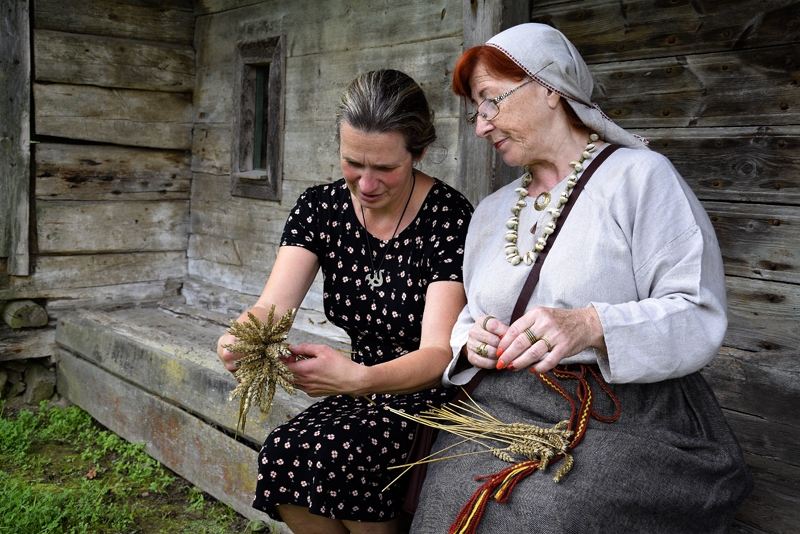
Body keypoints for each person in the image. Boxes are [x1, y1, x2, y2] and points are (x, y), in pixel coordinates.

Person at [410, 23, 752, 534]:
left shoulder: (640, 178)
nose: (482, 126)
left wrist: (590, 325)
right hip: (506, 404)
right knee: (444, 497)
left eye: (490, 102)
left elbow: (697, 310)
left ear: (549, 88)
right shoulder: (489, 212)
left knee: (546, 512)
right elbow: (467, 316)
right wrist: (471, 341)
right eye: (477, 109)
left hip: (630, 414)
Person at [216, 69, 473, 534]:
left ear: (420, 153)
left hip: (422, 392)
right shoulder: (321, 208)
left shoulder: (448, 218)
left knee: (345, 459)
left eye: (385, 168)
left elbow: (439, 355)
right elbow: (271, 309)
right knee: (280, 458)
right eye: (353, 162)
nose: (366, 183)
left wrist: (361, 379)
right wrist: (243, 337)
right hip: (357, 385)